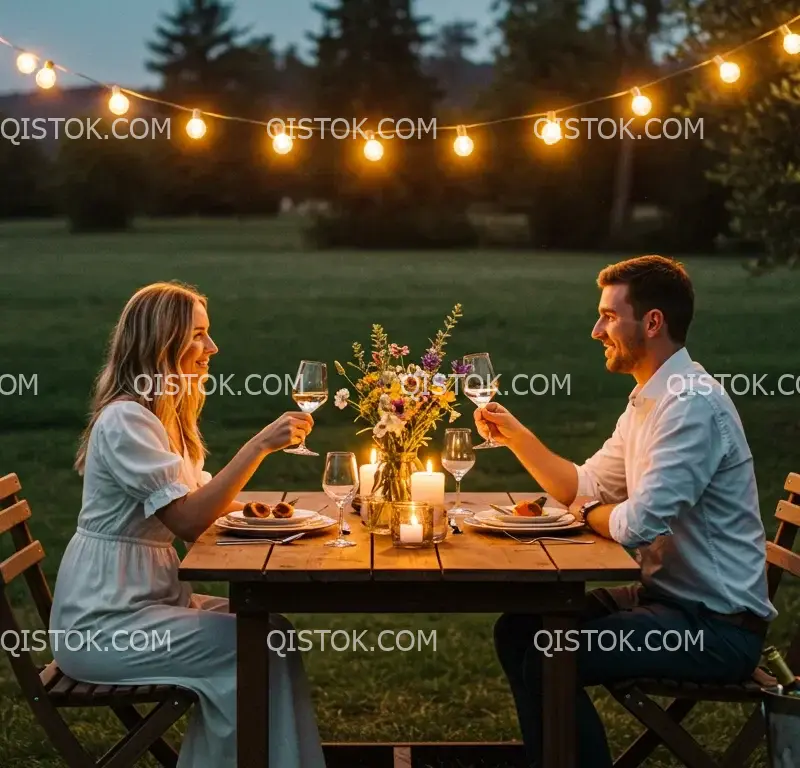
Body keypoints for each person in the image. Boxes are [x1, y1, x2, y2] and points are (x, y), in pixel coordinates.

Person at [476, 255, 775, 768]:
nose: (596, 330)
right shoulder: (650, 399)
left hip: (715, 628)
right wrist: (517, 439)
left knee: (552, 653)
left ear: (653, 321)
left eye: (609, 316)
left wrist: (590, 509)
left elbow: (636, 525)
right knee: (518, 629)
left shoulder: (689, 406)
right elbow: (586, 484)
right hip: (671, 600)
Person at [50, 281, 325, 768]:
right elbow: (190, 521)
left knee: (272, 634)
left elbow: (205, 503)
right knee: (253, 647)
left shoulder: (162, 416)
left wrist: (278, 511)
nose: (211, 348)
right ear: (163, 341)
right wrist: (258, 446)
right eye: (199, 335)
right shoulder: (126, 422)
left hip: (146, 605)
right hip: (105, 625)